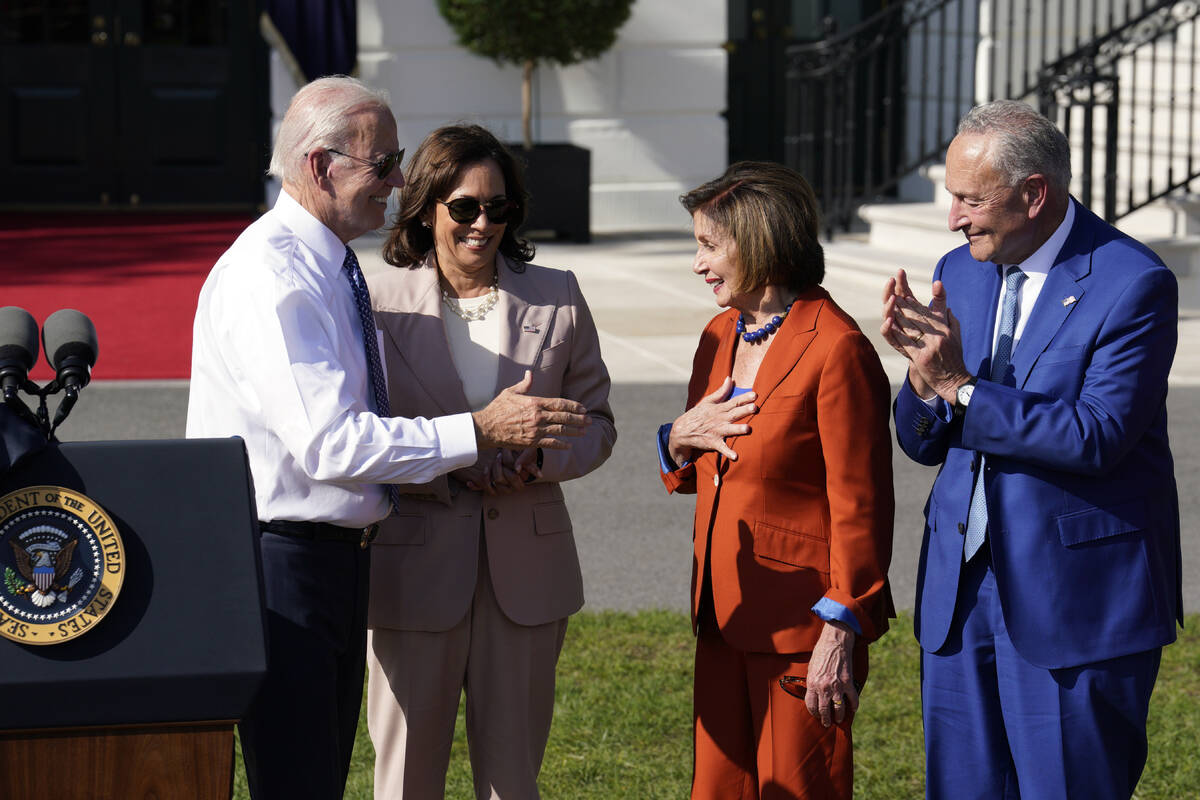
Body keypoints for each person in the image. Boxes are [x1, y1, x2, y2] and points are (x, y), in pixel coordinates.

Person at [186, 77, 591, 800]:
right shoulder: (275, 276)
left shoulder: (328, 268)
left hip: (331, 564)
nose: (398, 181)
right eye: (383, 164)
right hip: (287, 566)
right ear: (320, 166)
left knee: (316, 778)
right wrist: (478, 431)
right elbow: (332, 446)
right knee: (303, 781)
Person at [881, 100, 1182, 799]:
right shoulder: (962, 267)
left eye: (968, 198)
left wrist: (959, 387)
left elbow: (1097, 434)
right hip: (960, 594)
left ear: (1034, 194)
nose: (952, 217)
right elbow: (922, 441)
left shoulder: (1131, 283)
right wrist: (925, 386)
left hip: (1074, 602)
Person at [362, 123, 616, 799]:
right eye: (465, 207)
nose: (483, 223)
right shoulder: (376, 301)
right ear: (424, 208)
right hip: (413, 570)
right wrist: (455, 457)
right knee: (406, 779)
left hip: (526, 576)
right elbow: (359, 434)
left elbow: (597, 423)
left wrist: (536, 462)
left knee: (512, 780)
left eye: (497, 207)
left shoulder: (557, 294)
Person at [658, 161, 894, 799]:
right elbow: (700, 462)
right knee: (718, 789)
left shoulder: (837, 347)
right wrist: (677, 439)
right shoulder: (719, 333)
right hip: (723, 610)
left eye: (709, 245)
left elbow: (862, 505)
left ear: (759, 242)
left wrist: (840, 630)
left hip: (804, 630)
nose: (697, 263)